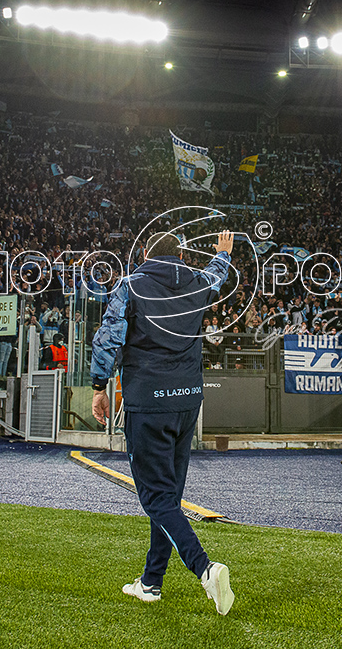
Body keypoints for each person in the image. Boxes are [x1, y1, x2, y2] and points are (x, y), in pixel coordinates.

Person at [90, 230, 235, 615]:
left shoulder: (131, 285)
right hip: (188, 401)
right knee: (166, 498)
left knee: (155, 498)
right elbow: (218, 275)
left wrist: (98, 386)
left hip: (148, 400)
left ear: (145, 252)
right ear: (181, 255)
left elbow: (107, 339)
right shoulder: (197, 280)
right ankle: (151, 583)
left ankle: (206, 569)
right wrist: (222, 253)